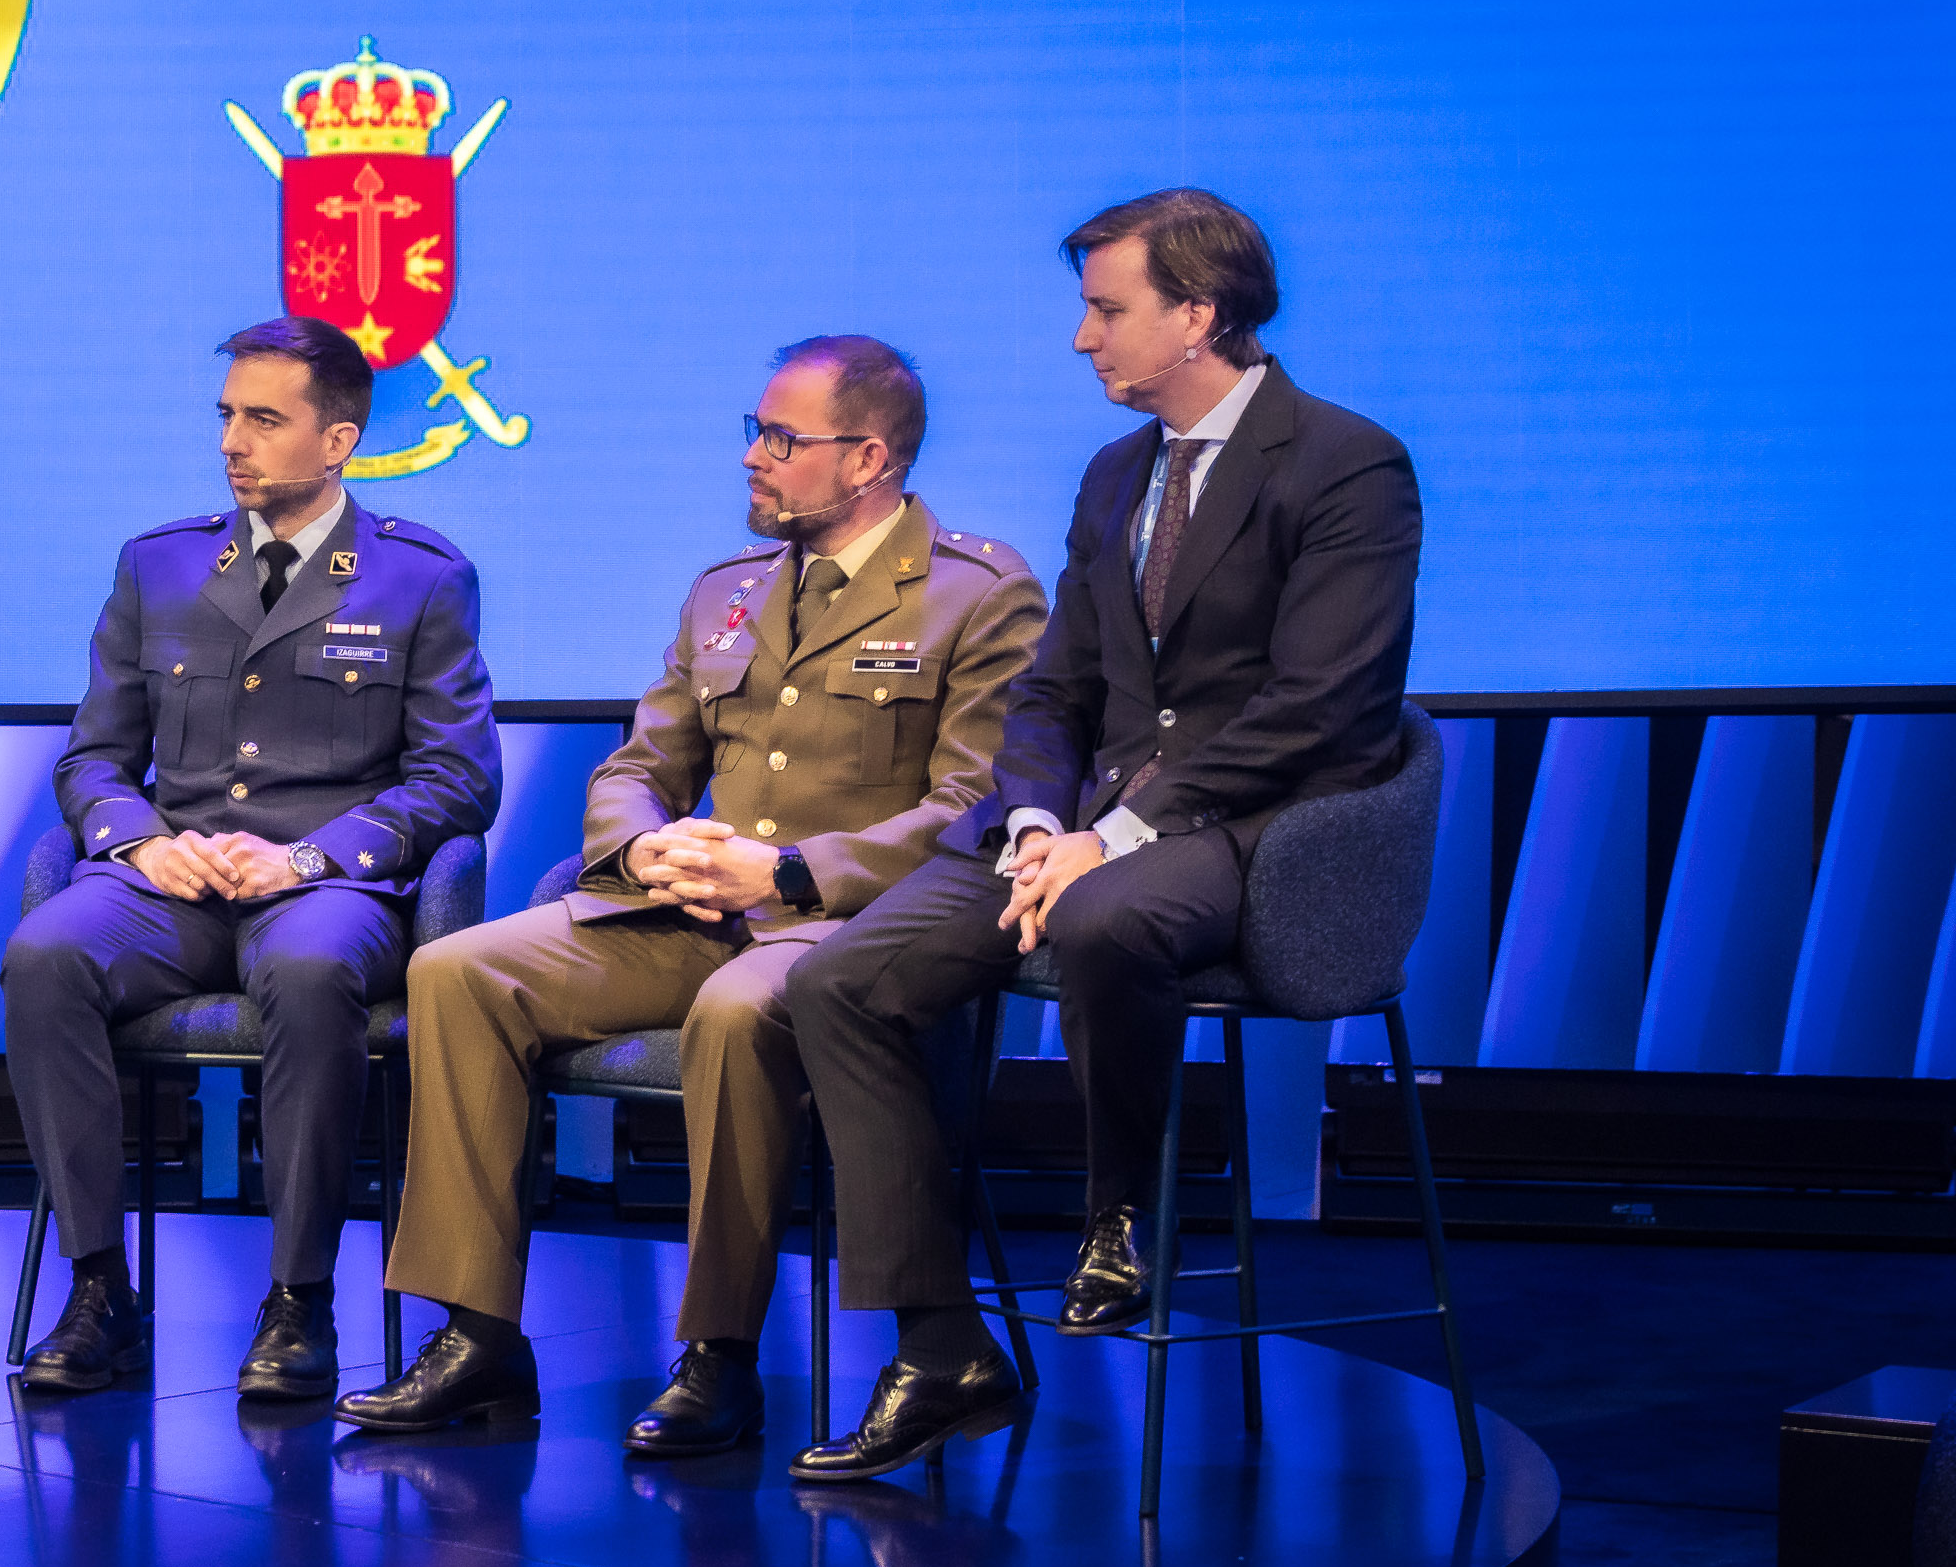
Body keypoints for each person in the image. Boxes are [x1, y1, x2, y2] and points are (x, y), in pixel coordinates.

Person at [780, 189, 1423, 1479]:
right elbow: (1056, 691)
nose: (1083, 337)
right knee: (838, 979)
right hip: (1082, 823)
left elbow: (1321, 703)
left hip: (1261, 824)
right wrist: (1031, 815)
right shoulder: (1116, 473)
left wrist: (1116, 831)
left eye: (1106, 308)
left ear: (1198, 315)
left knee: (1103, 912)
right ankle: (940, 1343)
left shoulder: (1346, 463)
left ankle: (1120, 1213)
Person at [342, 339, 1043, 1438]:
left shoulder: (977, 593)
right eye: (753, 432)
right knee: (455, 969)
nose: (753, 458)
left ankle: (716, 1354)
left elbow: (972, 806)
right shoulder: (726, 590)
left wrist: (791, 869)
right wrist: (643, 849)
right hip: (692, 907)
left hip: (841, 925)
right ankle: (477, 1333)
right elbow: (638, 763)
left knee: (734, 1012)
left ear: (866, 457)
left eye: (780, 438)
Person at [2, 315, 501, 1399]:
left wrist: (313, 859)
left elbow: (459, 781)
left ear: (338, 441)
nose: (233, 440)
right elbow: (92, 757)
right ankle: (97, 1289)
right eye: (226, 415)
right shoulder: (161, 564)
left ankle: (297, 1299)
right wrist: (140, 839)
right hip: (169, 879)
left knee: (313, 971)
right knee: (45, 956)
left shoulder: (420, 576)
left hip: (324, 887)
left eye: (263, 419)